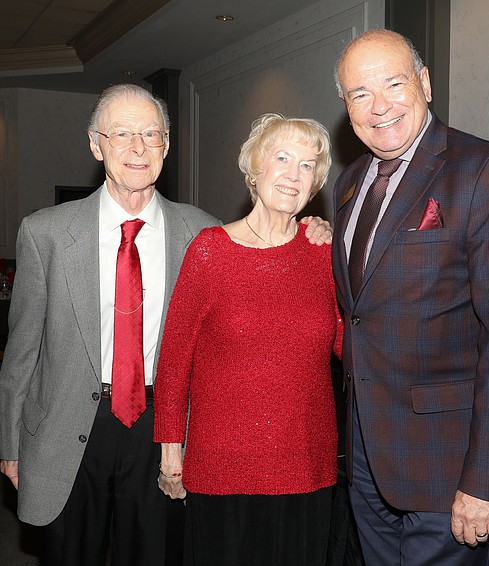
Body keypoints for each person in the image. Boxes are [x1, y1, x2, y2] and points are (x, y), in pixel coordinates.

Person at [0, 84, 332, 566]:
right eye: (123, 134)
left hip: (161, 426)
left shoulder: (203, 233)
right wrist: (11, 443)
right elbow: (23, 349)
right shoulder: (44, 232)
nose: (138, 148)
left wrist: (311, 228)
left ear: (167, 147)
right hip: (68, 425)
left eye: (151, 136)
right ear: (96, 144)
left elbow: (266, 267)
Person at [332, 30, 489, 565]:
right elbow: (361, 309)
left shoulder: (484, 171)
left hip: (449, 467)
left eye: (393, 83)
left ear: (425, 83)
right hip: (366, 459)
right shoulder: (350, 184)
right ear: (346, 107)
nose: (378, 106)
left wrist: (485, 479)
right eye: (359, 94)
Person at [153, 113, 343, 566]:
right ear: (254, 170)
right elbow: (175, 358)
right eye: (282, 158)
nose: (295, 174)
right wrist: (169, 449)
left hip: (305, 464)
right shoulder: (209, 251)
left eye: (307, 165)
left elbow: (349, 344)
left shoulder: (324, 254)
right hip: (221, 465)